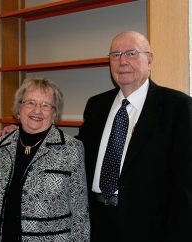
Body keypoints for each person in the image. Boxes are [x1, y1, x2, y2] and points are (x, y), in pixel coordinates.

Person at [78, 31, 192, 242]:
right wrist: (26, 133)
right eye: (115, 54)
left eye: (131, 53)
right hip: (96, 222)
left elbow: (185, 184)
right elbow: (75, 151)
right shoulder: (96, 105)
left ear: (149, 61)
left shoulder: (178, 107)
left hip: (150, 228)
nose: (122, 61)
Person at [0, 77, 90, 241]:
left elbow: (80, 213)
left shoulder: (71, 149)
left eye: (45, 105)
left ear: (54, 113)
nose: (37, 110)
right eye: (30, 103)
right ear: (19, 108)